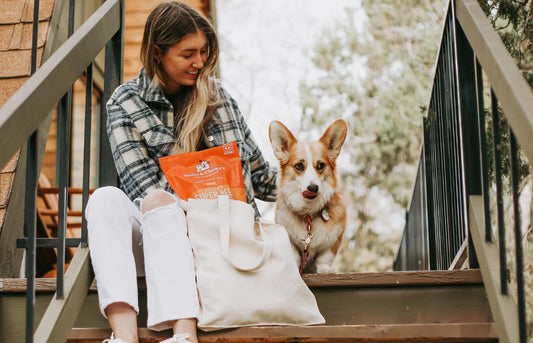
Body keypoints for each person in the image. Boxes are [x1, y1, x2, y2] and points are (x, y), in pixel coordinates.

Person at [85, 2, 278, 343]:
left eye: (204, 52)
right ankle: (125, 335)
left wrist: (313, 182)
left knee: (163, 202)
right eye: (188, 54)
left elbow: (263, 179)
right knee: (107, 200)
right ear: (157, 53)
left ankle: (183, 335)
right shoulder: (125, 103)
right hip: (164, 242)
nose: (200, 62)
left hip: (227, 240)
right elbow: (142, 190)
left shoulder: (220, 100)